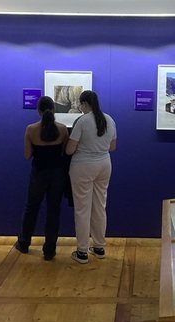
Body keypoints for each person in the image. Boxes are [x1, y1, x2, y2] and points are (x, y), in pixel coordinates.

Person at [14, 96, 69, 261]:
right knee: (54, 211)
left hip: (38, 174)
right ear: (54, 110)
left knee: (31, 208)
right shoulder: (62, 129)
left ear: (38, 111)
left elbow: (27, 155)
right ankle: (49, 250)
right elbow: (65, 153)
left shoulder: (31, 129)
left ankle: (24, 243)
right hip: (58, 175)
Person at [66, 90, 117, 264]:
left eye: (81, 104)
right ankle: (99, 247)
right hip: (104, 165)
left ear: (84, 103)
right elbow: (112, 147)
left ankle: (82, 251)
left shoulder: (82, 121)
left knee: (82, 209)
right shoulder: (109, 119)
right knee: (100, 206)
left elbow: (69, 150)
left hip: (83, 166)